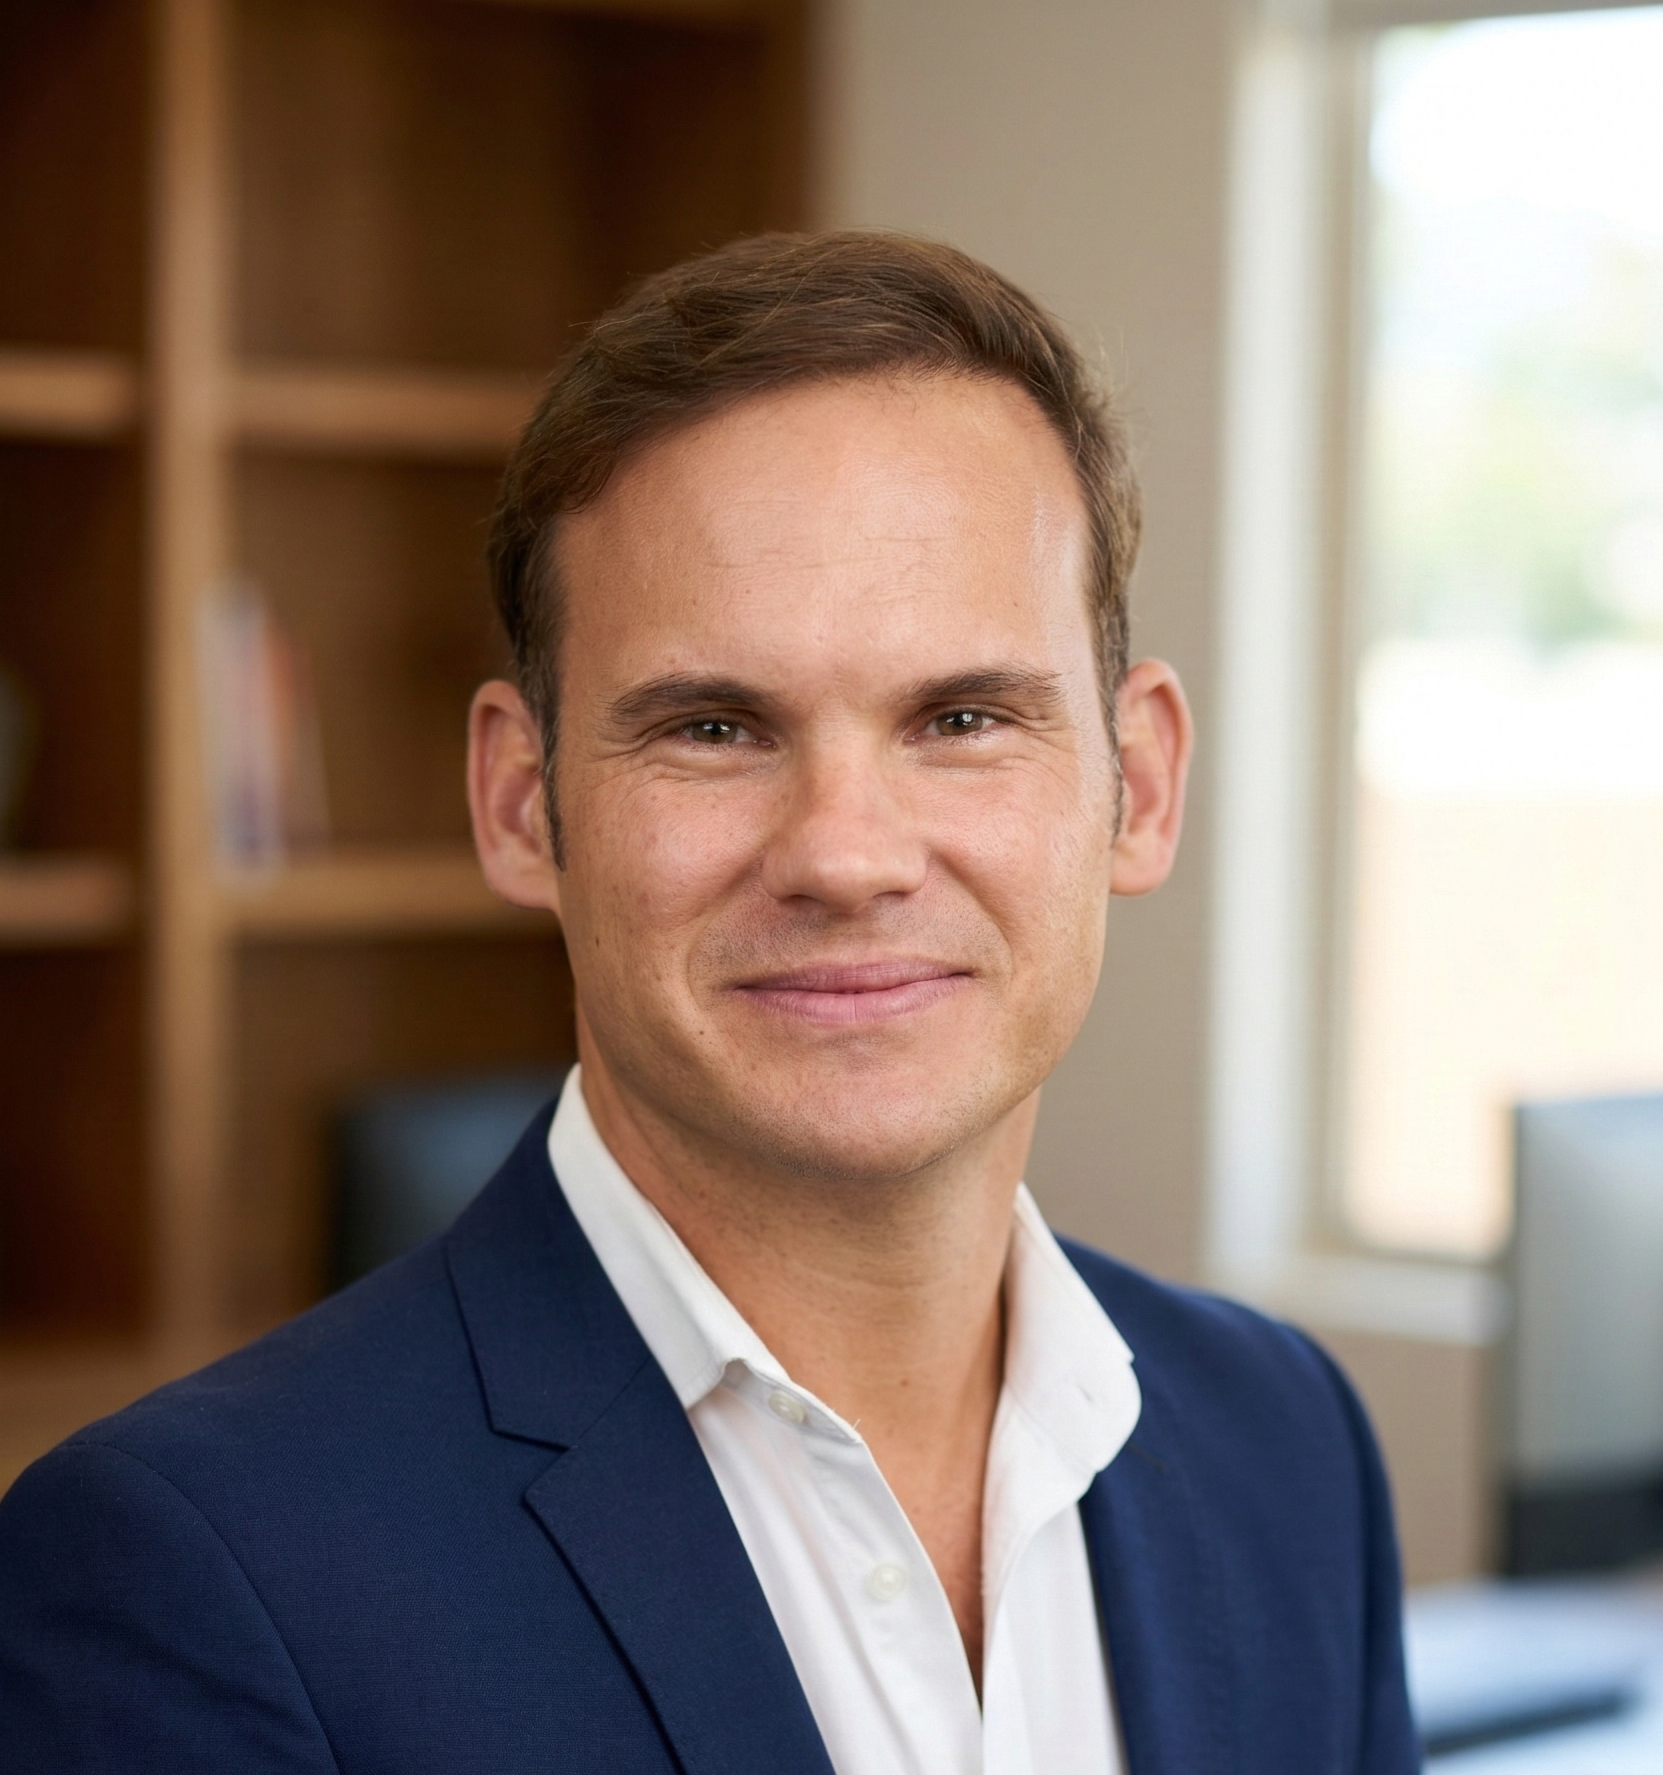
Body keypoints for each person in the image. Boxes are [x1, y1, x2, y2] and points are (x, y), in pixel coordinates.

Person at [0, 232, 1416, 1773]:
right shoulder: (190, 1569)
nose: (845, 855)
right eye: (716, 727)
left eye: (960, 716)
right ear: (522, 804)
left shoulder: (1284, 1443)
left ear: (1135, 788)